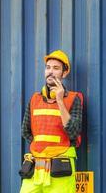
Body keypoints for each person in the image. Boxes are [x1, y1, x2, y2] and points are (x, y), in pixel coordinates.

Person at [19, 50, 83, 193]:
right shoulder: (34, 99)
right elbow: (25, 131)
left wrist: (60, 100)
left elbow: (73, 132)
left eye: (56, 68)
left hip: (60, 170)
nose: (50, 72)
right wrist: (42, 146)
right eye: (48, 67)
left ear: (64, 73)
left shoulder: (73, 99)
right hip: (36, 169)